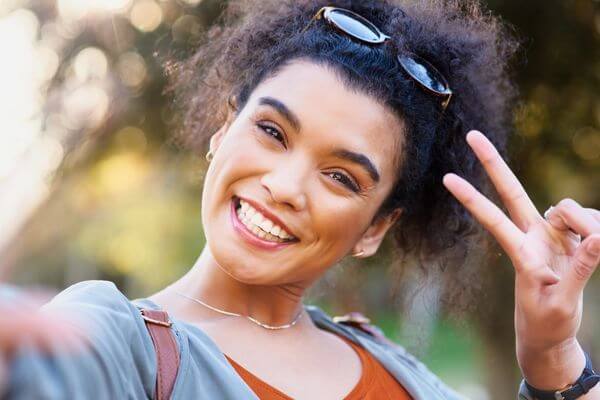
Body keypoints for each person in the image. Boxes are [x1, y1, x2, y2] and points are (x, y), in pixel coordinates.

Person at [1, 0, 599, 399]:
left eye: (342, 177)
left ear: (375, 229)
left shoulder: (400, 374)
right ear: (222, 130)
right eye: (272, 132)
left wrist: (553, 356)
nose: (284, 186)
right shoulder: (110, 343)